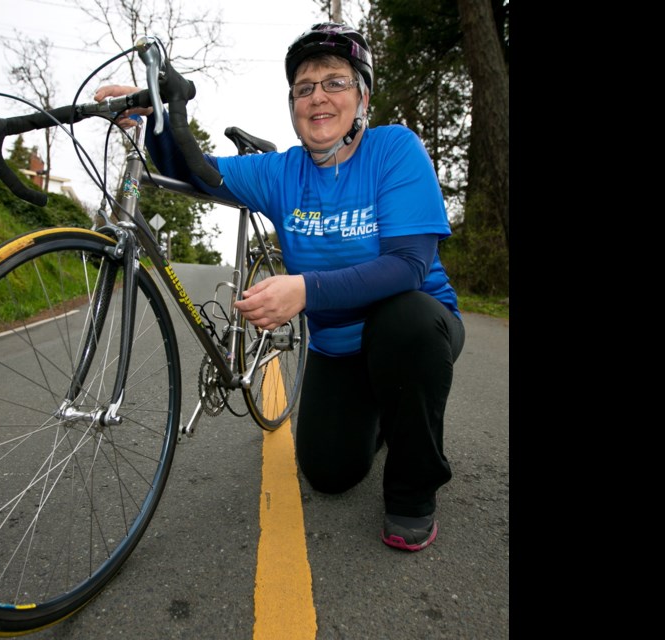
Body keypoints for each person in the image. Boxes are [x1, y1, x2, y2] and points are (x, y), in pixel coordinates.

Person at [94, 22, 465, 552]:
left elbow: (408, 265)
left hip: (416, 329)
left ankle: (412, 493)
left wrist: (305, 291)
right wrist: (154, 122)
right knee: (329, 473)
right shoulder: (282, 172)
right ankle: (387, 412)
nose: (318, 97)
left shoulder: (393, 149)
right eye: (304, 87)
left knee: (405, 320)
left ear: (362, 96)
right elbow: (197, 171)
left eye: (334, 82)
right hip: (338, 348)